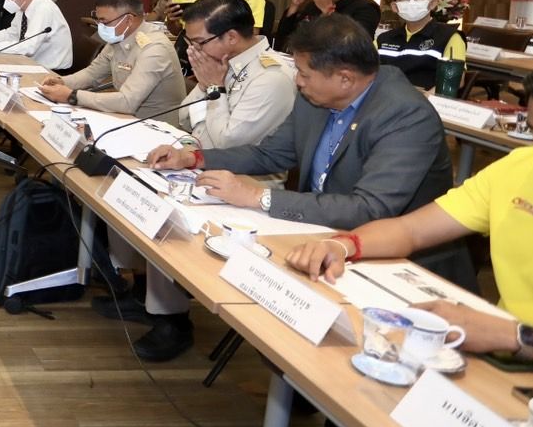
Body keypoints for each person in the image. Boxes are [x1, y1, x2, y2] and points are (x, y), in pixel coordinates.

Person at [283, 58, 533, 427]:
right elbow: (414, 229)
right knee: (358, 395)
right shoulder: (520, 169)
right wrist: (344, 244)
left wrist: (513, 336)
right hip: (511, 356)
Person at [148, 15, 474, 287]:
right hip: (320, 235)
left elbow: (370, 208)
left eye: (304, 74)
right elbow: (270, 154)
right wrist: (196, 158)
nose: (298, 82)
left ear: (344, 78)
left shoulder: (404, 115)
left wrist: (259, 197)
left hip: (398, 265)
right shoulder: (316, 97)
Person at [118, 0, 296, 360]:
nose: (192, 51)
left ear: (230, 37)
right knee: (131, 181)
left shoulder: (271, 77)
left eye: (199, 42)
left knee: (166, 210)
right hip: (207, 166)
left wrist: (214, 90)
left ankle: (171, 320)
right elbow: (186, 117)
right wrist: (191, 143)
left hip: (250, 183)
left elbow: (227, 142)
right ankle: (143, 292)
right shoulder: (217, 64)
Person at [39, 0, 183, 122]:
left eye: (105, 22)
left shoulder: (154, 49)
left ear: (128, 20)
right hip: (125, 118)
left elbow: (127, 102)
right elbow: (91, 74)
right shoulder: (119, 37)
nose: (100, 27)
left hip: (155, 127)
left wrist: (72, 96)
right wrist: (62, 82)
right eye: (98, 20)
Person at [378, 0, 466, 89]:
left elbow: (454, 80)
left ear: (433, 3)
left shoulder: (449, 36)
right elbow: (365, 72)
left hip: (423, 98)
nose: (412, 3)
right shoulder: (384, 38)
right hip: (383, 96)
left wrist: (426, 96)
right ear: (395, 7)